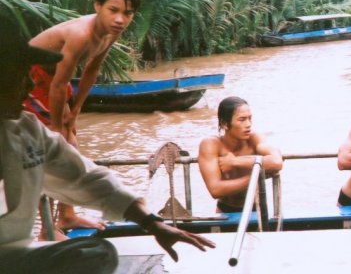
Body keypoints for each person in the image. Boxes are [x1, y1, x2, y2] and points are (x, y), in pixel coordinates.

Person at [0, 32, 215, 274]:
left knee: (97, 254)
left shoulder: (28, 130)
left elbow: (86, 178)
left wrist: (152, 223)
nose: (30, 86)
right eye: (19, 76)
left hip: (11, 255)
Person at [23, 0, 140, 238]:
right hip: (29, 77)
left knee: (70, 143)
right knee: (53, 147)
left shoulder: (109, 33)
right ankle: (47, 229)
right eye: (114, 10)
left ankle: (66, 216)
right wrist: (56, 126)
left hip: (53, 81)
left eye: (128, 13)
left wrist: (74, 113)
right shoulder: (80, 34)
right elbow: (56, 85)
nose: (120, 19)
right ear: (98, 6)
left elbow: (92, 70)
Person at [198, 96, 284, 213]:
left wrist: (235, 162)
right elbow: (215, 190)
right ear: (224, 124)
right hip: (225, 211)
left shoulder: (254, 138)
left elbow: (276, 162)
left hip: (256, 209)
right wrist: (256, 177)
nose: (248, 124)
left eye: (250, 118)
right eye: (242, 119)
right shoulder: (211, 144)